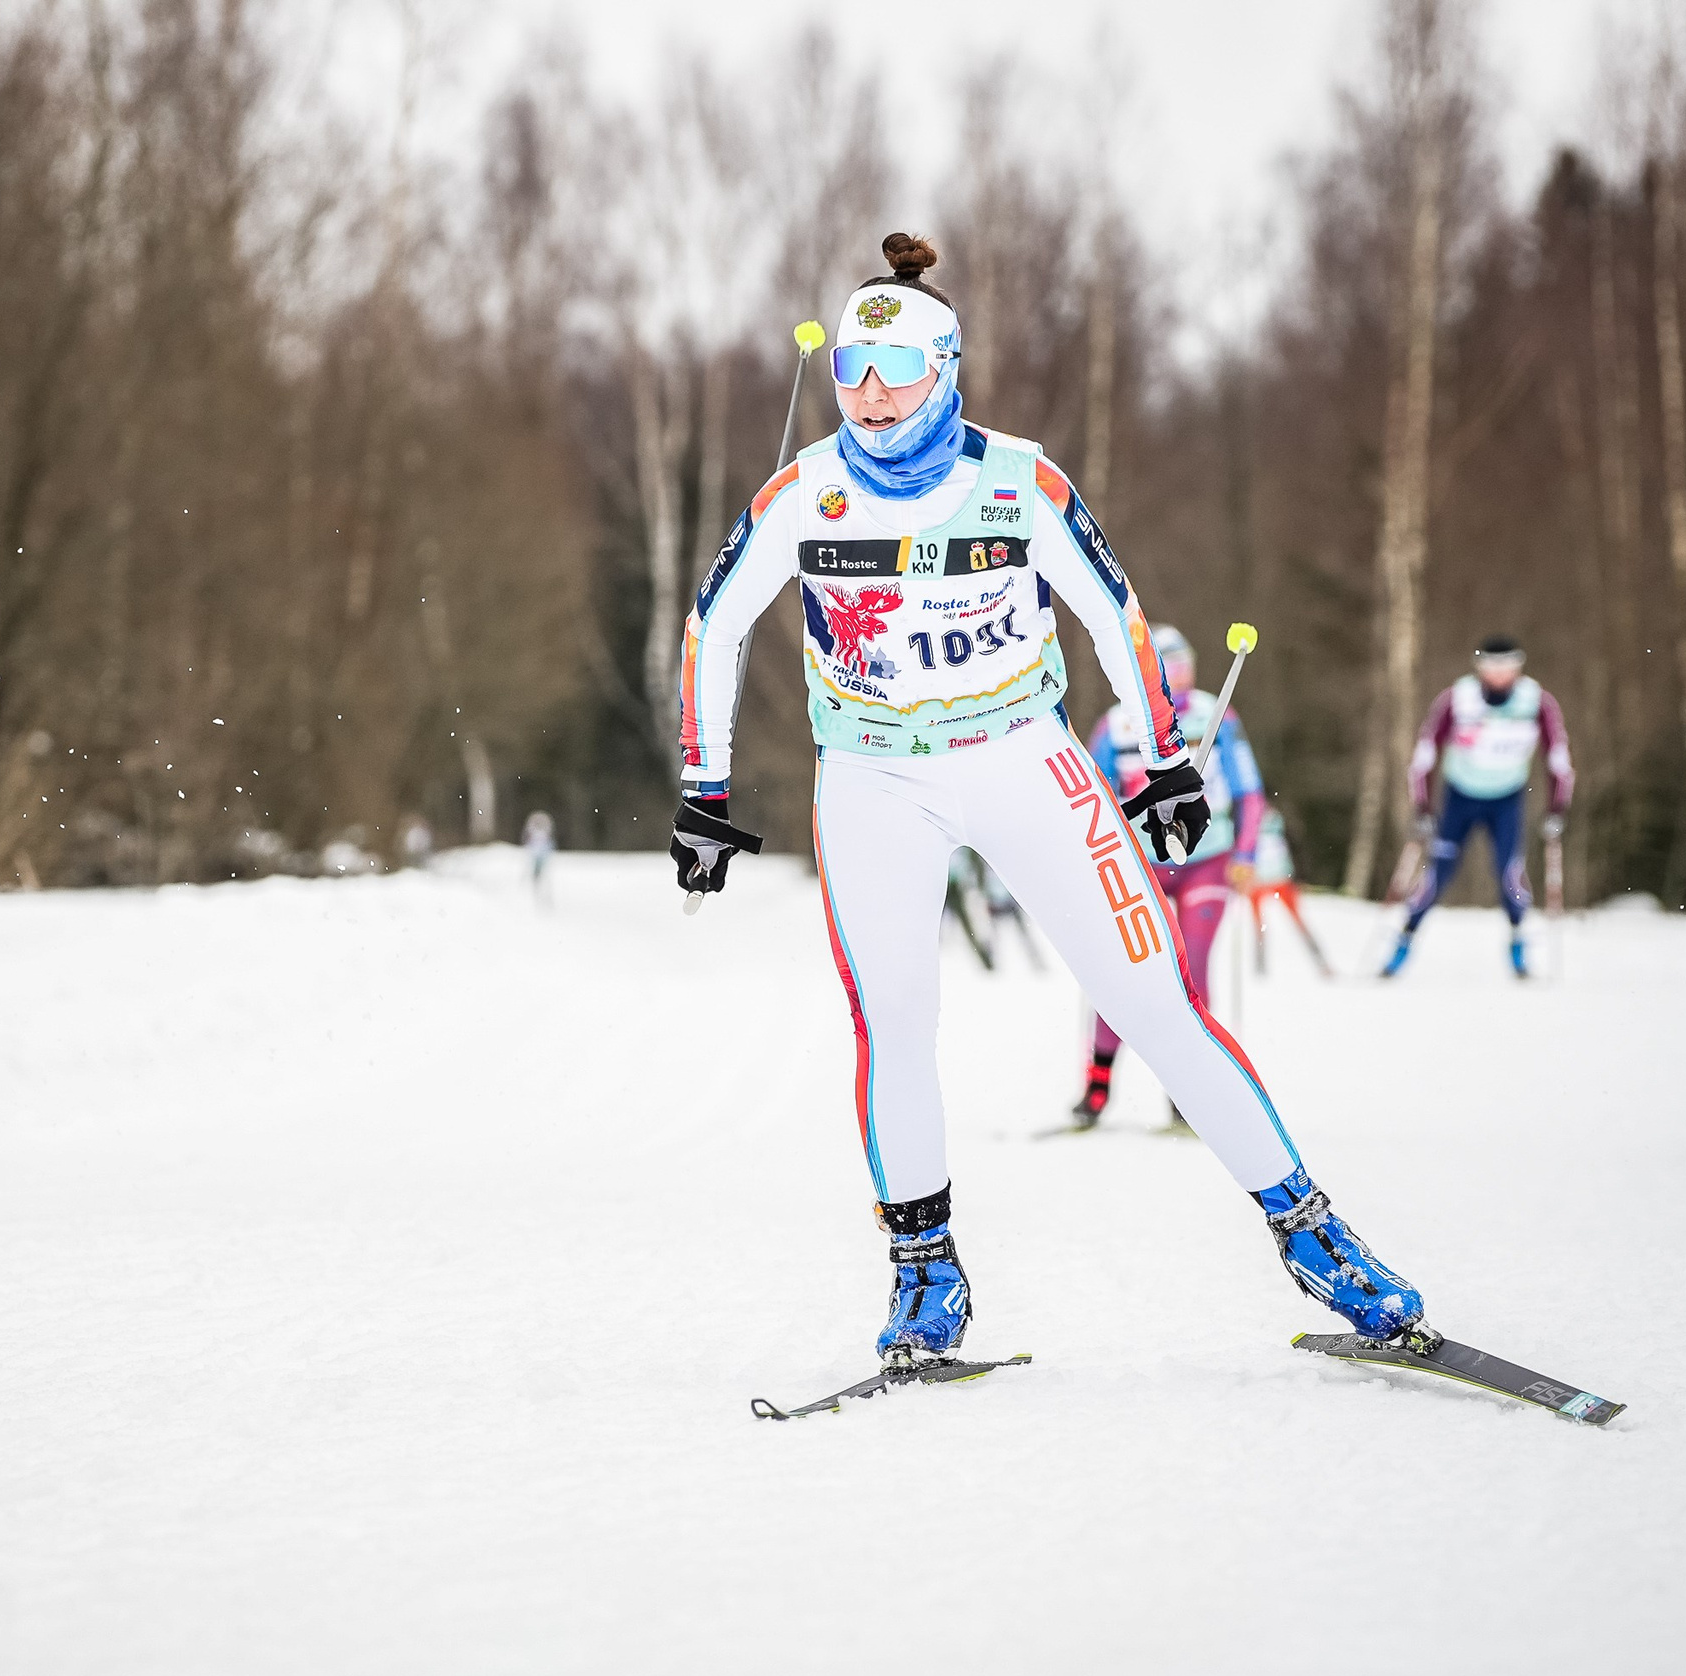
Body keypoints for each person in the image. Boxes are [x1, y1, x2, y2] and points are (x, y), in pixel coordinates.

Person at [670, 234, 1432, 1366]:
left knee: (1156, 1001)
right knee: (893, 1023)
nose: (871, 395)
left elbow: (1116, 615)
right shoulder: (803, 493)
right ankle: (924, 1273)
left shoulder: (1020, 480)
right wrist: (705, 788)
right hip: (873, 777)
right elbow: (713, 624)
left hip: (1022, 756)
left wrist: (1166, 761)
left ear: (946, 369)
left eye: (898, 370)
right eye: (851, 372)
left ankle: (1317, 1239)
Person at [1067, 625, 1263, 1131]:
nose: (1179, 678)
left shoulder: (1216, 715)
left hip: (1207, 859)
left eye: (1183, 666)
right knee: (1124, 971)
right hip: (1141, 863)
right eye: (1168, 668)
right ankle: (1097, 1084)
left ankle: (1188, 1092)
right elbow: (1092, 799)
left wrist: (1246, 851)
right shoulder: (1117, 725)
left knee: (1191, 970)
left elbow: (1249, 791)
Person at [1381, 636, 1573, 979]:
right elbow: (1425, 752)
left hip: (1507, 799)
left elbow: (1557, 756)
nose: (1498, 675)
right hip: (1460, 798)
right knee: (1436, 875)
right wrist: (1422, 806)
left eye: (1507, 667)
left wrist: (1557, 807)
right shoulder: (1458, 698)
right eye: (1491, 667)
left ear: (1518, 667)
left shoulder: (1537, 702)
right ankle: (1403, 942)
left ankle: (1518, 945)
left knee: (1510, 874)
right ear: (1479, 668)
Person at [1244, 808, 1333, 977]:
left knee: (1297, 922)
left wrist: (1300, 876)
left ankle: (1321, 963)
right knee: (1260, 926)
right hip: (1259, 881)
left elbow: (1295, 847)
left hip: (1280, 879)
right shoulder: (1248, 819)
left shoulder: (1274, 820)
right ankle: (1259, 970)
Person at [522, 809, 556, 902]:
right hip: (536, 854)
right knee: (536, 872)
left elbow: (549, 842)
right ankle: (536, 888)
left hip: (542, 854)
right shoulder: (534, 832)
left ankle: (542, 890)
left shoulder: (544, 833)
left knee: (542, 872)